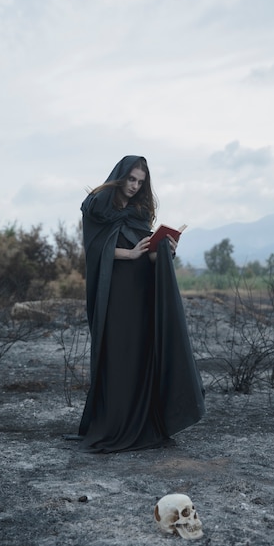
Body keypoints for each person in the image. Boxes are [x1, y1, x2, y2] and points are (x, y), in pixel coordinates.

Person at [76, 155, 205, 453]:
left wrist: (165, 250)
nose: (134, 186)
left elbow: (147, 255)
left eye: (140, 182)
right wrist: (129, 254)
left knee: (140, 354)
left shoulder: (139, 212)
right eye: (131, 179)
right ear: (120, 176)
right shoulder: (96, 205)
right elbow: (94, 251)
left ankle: (143, 423)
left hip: (140, 293)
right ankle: (113, 423)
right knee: (117, 355)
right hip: (113, 293)